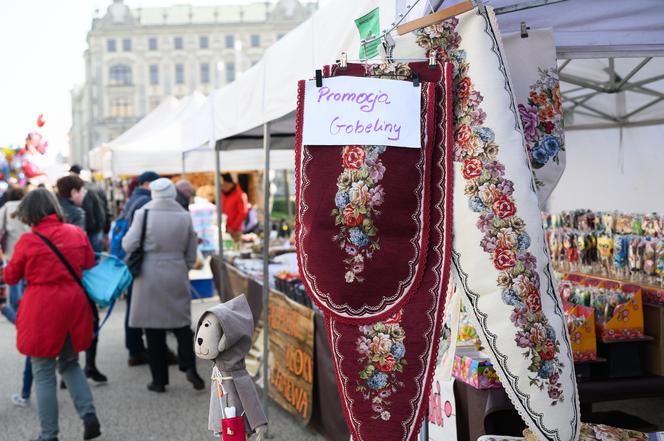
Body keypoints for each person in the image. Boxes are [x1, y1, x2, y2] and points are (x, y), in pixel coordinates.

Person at [4, 189, 101, 441]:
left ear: (29, 213)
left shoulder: (28, 241)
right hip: (73, 306)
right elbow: (90, 265)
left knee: (43, 371)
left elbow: (11, 276)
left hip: (42, 309)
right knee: (69, 363)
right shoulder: (76, 233)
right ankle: (89, 415)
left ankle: (49, 435)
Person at [122, 178, 204, 392]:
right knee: (182, 324)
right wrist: (182, 265)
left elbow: (128, 244)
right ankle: (189, 367)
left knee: (153, 328)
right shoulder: (184, 215)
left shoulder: (144, 214)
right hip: (176, 270)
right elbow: (191, 250)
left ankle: (159, 380)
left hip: (149, 273)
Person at [56, 176, 107, 383]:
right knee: (90, 321)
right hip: (77, 280)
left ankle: (67, 370)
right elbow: (81, 248)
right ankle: (89, 366)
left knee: (64, 326)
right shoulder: (76, 213)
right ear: (74, 192)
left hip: (57, 281)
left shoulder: (52, 209)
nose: (84, 194)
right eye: (82, 191)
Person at [0, 185, 32, 407]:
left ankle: (21, 321)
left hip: (12, 259)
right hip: (32, 259)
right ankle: (26, 320)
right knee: (28, 298)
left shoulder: (4, 210)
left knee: (13, 300)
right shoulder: (30, 208)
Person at [69, 165, 111, 253]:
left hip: (89, 228)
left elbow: (105, 208)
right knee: (96, 257)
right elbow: (106, 209)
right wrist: (106, 229)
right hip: (95, 228)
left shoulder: (81, 189)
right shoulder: (95, 186)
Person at [221, 173, 249, 242]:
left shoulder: (240, 195)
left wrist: (232, 227)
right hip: (224, 228)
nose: (222, 187)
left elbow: (242, 214)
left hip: (235, 231)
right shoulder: (223, 194)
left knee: (235, 249)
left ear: (230, 184)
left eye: (224, 184)